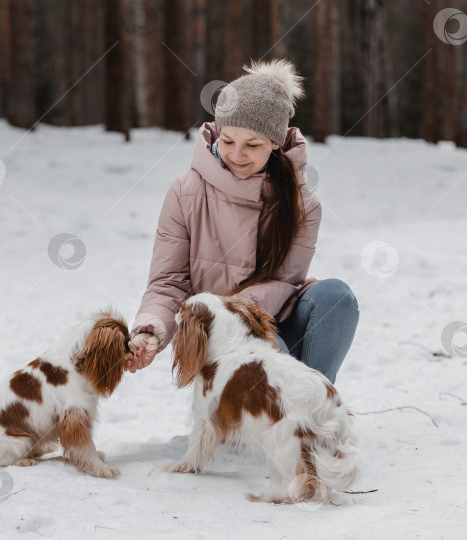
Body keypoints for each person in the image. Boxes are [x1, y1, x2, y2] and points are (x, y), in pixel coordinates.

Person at [127, 59, 359, 384]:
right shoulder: (186, 190)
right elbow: (168, 282)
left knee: (336, 297)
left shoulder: (302, 204)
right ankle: (261, 411)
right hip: (215, 336)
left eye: (252, 145)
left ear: (276, 144)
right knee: (264, 345)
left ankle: (313, 408)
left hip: (272, 323)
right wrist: (151, 329)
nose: (237, 154)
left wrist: (239, 315)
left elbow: (283, 282)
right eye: (227, 141)